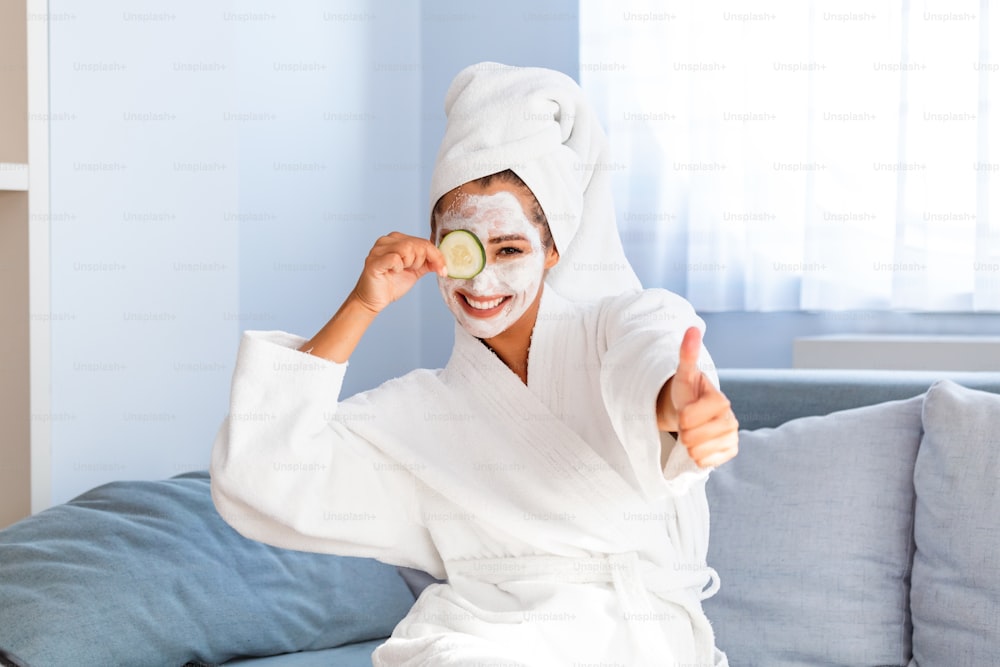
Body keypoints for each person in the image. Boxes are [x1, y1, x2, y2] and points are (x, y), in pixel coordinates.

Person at [211, 62, 738, 666]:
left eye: (510, 248)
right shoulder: (418, 412)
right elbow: (262, 474)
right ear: (435, 249)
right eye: (463, 249)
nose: (482, 279)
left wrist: (676, 405)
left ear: (552, 250)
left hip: (636, 636)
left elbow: (647, 360)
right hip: (481, 638)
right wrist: (362, 304)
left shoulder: (620, 323)